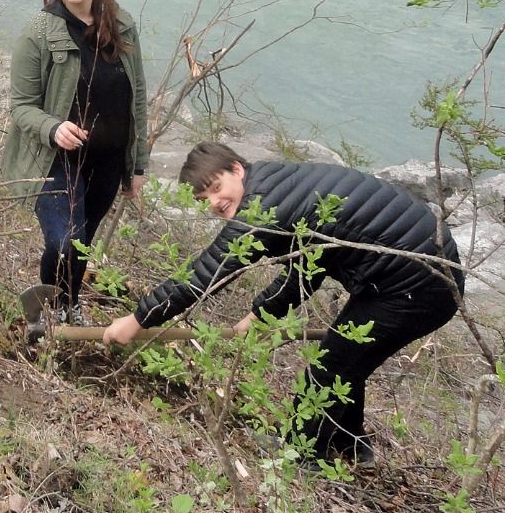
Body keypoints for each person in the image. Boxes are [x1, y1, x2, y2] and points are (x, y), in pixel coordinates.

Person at [102, 141, 465, 469]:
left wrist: (137, 319)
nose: (214, 202)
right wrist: (259, 314)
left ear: (237, 170)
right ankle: (352, 447)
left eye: (216, 188)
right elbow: (308, 268)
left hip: (420, 283)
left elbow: (202, 278)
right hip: (414, 272)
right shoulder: (277, 182)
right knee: (346, 358)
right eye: (204, 199)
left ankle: (303, 457)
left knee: (332, 362)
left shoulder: (262, 207)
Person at [1, 0, 150, 329]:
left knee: (83, 242)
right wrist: (53, 128)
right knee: (66, 240)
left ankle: (69, 304)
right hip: (54, 157)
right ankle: (46, 309)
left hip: (108, 158)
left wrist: (137, 166)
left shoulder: (122, 26)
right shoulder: (38, 31)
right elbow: (20, 106)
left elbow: (138, 101)